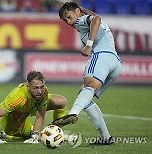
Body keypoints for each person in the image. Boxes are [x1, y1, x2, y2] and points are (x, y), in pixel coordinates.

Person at [51, 2, 121, 145]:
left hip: (101, 56)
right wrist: (81, 9)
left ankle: (73, 114)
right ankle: (105, 137)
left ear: (77, 12)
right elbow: (94, 17)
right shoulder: (84, 19)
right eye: (65, 20)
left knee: (88, 88)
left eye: (68, 17)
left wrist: (89, 45)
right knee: (85, 96)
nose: (69, 22)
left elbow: (96, 19)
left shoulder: (81, 20)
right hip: (115, 63)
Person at [0, 70, 67, 144]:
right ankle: (8, 136)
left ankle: (58, 131)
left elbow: (40, 116)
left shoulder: (43, 92)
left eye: (41, 87)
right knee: (42, 137)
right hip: (16, 119)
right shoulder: (17, 98)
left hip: (31, 107)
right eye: (35, 88)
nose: (40, 91)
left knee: (61, 102)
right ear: (28, 87)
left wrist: (35, 137)